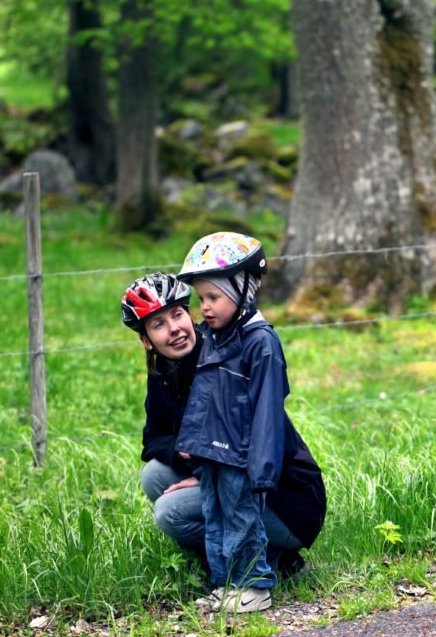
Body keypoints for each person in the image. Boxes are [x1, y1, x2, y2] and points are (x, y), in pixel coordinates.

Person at [121, 268, 325, 610]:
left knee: (170, 512)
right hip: (224, 469)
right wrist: (190, 459)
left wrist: (201, 472)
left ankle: (258, 567)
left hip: (285, 496)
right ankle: (252, 564)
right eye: (158, 324)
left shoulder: (220, 357)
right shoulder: (163, 373)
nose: (174, 329)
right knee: (154, 475)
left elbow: (245, 440)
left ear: (190, 314)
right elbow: (152, 440)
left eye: (178, 314)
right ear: (146, 340)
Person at [171, 231, 316, 614]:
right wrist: (193, 442)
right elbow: (205, 398)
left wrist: (262, 472)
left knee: (241, 519)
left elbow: (268, 414)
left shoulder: (260, 343)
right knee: (215, 515)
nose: (204, 307)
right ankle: (226, 583)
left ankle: (255, 586)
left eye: (213, 298)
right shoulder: (216, 338)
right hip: (216, 454)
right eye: (201, 299)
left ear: (243, 290)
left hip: (243, 457)